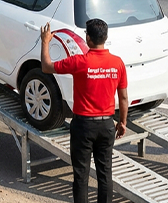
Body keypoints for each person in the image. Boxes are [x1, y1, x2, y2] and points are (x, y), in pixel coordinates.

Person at [41, 20, 128, 203]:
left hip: (83, 126)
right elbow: (123, 98)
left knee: (81, 174)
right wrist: (122, 122)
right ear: (105, 37)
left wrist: (45, 41)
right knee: (105, 174)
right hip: (106, 125)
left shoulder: (79, 62)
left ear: (88, 38)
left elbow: (46, 66)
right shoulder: (117, 63)